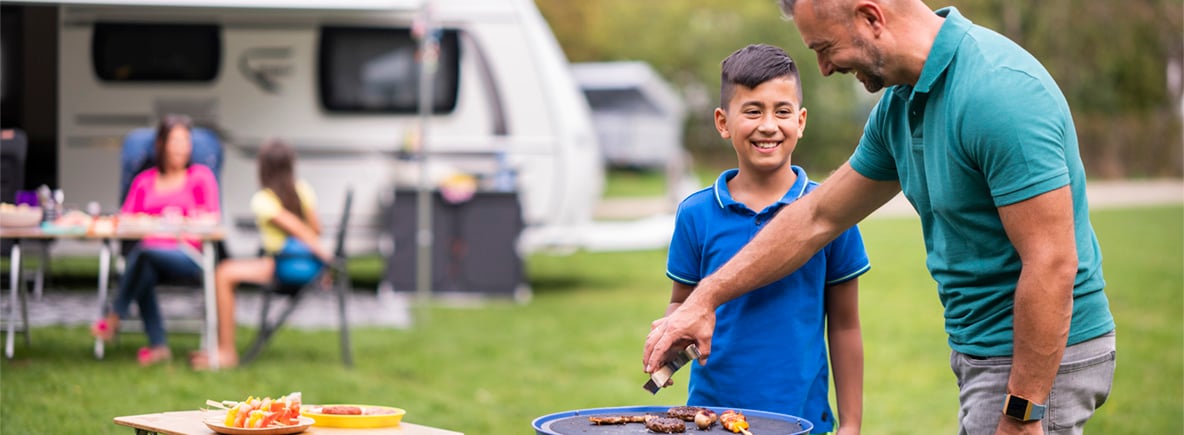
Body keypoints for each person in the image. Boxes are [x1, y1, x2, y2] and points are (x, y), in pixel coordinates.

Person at [643, 1, 1117, 434]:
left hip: (1037, 356)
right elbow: (817, 218)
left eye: (825, 48)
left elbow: (1053, 261)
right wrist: (703, 299)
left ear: (871, 18)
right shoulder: (900, 106)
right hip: (985, 350)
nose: (825, 69)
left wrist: (1023, 410)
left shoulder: (998, 92)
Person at [659, 44, 868, 434]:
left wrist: (851, 424)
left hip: (803, 422)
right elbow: (682, 303)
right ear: (723, 122)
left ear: (801, 121)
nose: (768, 125)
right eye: (753, 111)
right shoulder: (695, 214)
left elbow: (844, 325)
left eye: (782, 111)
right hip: (711, 421)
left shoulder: (832, 212)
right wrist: (668, 340)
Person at [91, 114, 221, 366]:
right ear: (161, 144)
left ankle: (115, 316)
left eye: (186, 140)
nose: (182, 146)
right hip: (150, 254)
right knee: (144, 265)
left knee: (141, 256)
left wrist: (185, 222)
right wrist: (146, 223)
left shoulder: (201, 177)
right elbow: (125, 219)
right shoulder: (145, 181)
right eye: (175, 140)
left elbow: (213, 218)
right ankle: (159, 347)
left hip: (188, 254)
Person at [190, 139, 330, 370]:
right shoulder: (303, 189)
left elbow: (297, 227)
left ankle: (227, 351)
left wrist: (326, 257)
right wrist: (321, 259)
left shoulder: (263, 200)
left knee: (223, 273)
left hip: (282, 265)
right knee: (225, 271)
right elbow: (317, 229)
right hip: (305, 263)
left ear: (263, 168)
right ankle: (218, 346)